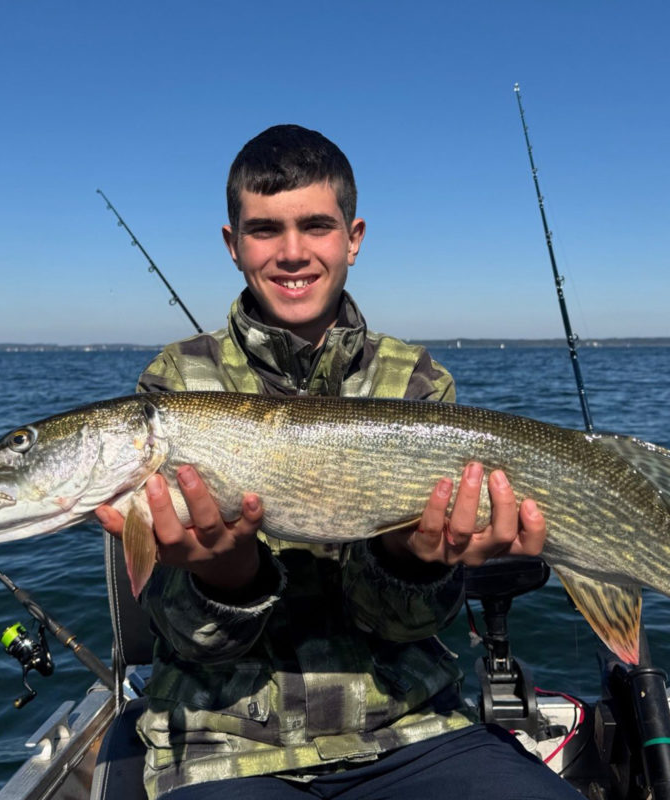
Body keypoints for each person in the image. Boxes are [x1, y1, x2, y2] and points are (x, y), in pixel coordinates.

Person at [95, 124, 579, 799]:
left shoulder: (416, 381)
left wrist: (412, 558)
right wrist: (226, 572)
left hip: (410, 724)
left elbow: (408, 623)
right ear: (233, 245)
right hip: (221, 740)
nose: (292, 253)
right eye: (265, 230)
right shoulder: (175, 382)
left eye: (316, 226)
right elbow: (195, 639)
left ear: (352, 237)